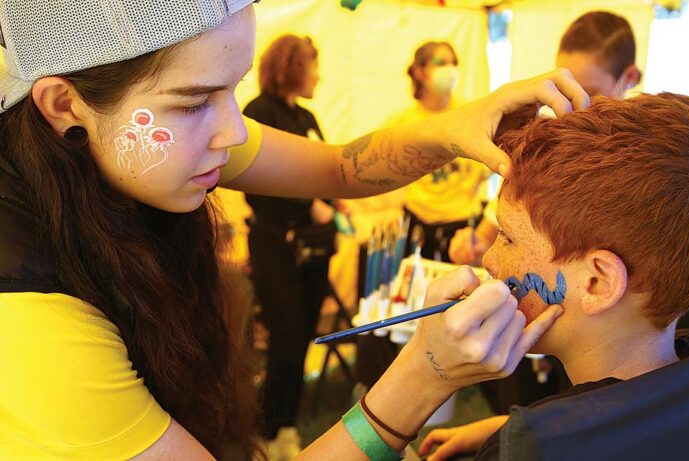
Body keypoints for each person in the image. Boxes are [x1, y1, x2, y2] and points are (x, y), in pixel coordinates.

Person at [0, 1, 590, 460]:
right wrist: (422, 376)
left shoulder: (133, 139)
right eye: (193, 103)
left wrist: (451, 128)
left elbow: (337, 166)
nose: (233, 133)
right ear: (63, 104)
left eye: (233, 89)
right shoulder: (28, 317)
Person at [419, 93, 689, 461]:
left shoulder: (533, 448)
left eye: (508, 238)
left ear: (597, 283)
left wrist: (423, 376)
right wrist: (505, 427)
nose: (489, 259)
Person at [449, 10, 642, 266]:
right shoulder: (550, 144)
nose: (575, 104)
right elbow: (487, 237)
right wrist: (474, 245)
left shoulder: (641, 159)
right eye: (565, 88)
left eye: (590, 92)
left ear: (629, 78)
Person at [242, 34, 334, 460]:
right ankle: (265, 430)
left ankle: (288, 428)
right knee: (286, 338)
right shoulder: (259, 111)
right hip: (276, 244)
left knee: (303, 340)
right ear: (293, 66)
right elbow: (255, 180)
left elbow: (324, 169)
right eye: (314, 65)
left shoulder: (309, 116)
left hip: (315, 249)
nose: (318, 74)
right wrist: (308, 203)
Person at [387, 41, 492, 262]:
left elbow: (489, 162)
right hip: (418, 224)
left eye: (453, 62)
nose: (450, 69)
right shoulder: (402, 123)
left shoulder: (470, 113)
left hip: (462, 227)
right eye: (441, 62)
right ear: (420, 72)